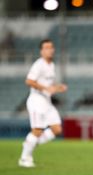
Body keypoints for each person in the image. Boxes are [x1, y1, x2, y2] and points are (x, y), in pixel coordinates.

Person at [18, 39, 68, 168]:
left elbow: (48, 85)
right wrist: (46, 88)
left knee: (57, 129)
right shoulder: (39, 64)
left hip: (47, 102)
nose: (50, 49)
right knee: (37, 130)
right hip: (36, 101)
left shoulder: (51, 65)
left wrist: (57, 87)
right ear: (41, 51)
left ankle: (30, 143)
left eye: (51, 47)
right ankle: (24, 158)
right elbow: (29, 81)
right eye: (46, 47)